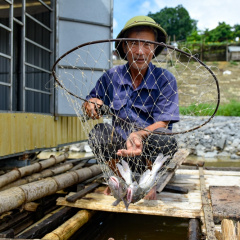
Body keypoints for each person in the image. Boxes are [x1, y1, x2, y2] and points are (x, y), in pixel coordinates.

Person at [83, 16, 179, 200]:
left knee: (164, 137)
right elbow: (91, 100)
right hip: (119, 154)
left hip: (149, 153)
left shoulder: (166, 79)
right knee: (99, 133)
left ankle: (148, 182)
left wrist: (138, 135)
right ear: (125, 47)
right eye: (134, 44)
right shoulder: (111, 76)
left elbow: (164, 120)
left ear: (155, 48)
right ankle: (118, 179)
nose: (140, 51)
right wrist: (92, 103)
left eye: (147, 44)